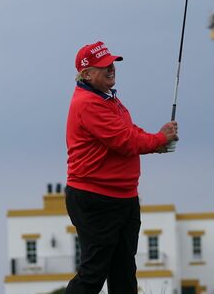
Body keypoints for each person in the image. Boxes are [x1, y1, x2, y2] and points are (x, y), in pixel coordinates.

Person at [64, 41, 178, 294]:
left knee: (124, 271)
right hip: (96, 198)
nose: (111, 69)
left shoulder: (108, 99)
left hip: (122, 197)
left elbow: (129, 131)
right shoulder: (88, 103)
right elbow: (125, 141)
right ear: (86, 74)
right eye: (103, 66)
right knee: (94, 272)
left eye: (112, 64)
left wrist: (157, 139)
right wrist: (158, 140)